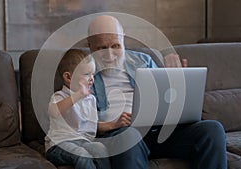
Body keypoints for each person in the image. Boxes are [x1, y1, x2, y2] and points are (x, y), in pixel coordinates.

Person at [87, 15, 227, 169]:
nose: (109, 55)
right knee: (129, 136)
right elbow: (79, 121)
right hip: (119, 135)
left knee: (212, 129)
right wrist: (112, 124)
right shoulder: (82, 72)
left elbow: (166, 100)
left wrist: (178, 85)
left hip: (157, 131)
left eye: (116, 46)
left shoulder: (143, 61)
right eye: (101, 48)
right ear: (90, 45)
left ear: (123, 39)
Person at [45, 49, 111, 169]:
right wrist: (78, 95)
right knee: (82, 154)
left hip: (83, 142)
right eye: (87, 74)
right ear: (68, 77)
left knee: (100, 149)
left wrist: (116, 124)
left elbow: (93, 125)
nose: (92, 78)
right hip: (59, 144)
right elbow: (54, 111)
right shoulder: (59, 96)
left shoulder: (91, 99)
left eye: (93, 74)